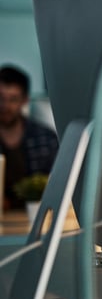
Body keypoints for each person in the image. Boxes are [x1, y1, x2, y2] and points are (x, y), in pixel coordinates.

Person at [0, 65, 59, 211]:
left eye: (13, 99)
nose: (5, 106)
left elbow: (58, 187)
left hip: (36, 219)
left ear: (24, 100)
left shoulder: (46, 139)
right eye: (0, 98)